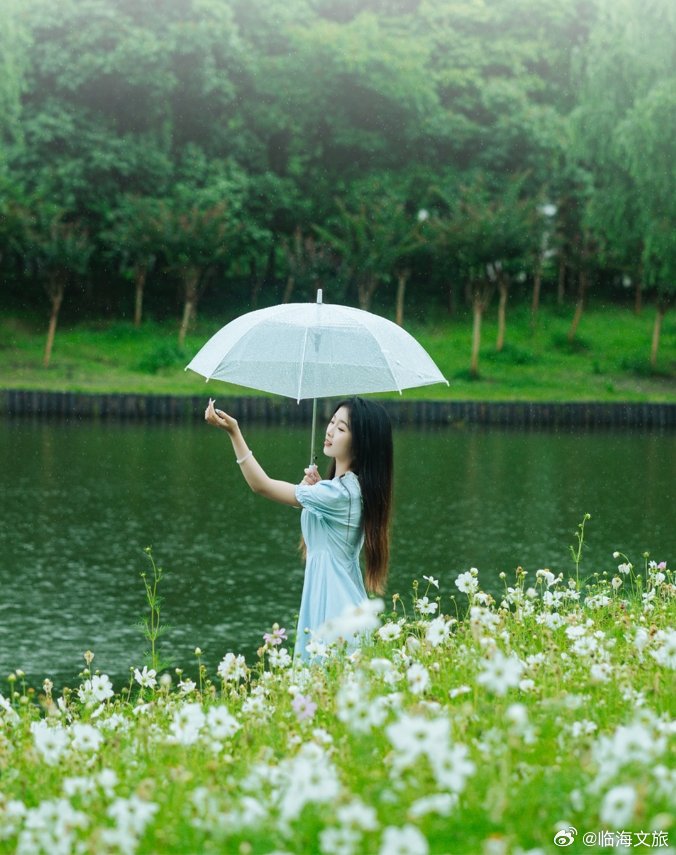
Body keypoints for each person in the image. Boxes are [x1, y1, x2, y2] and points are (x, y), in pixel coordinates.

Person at [204, 396, 393, 661]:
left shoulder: (339, 493)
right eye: (331, 422)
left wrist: (234, 432)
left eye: (341, 429)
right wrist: (314, 491)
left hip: (336, 604)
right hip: (327, 596)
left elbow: (262, 485)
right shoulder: (342, 489)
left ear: (361, 443)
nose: (329, 431)